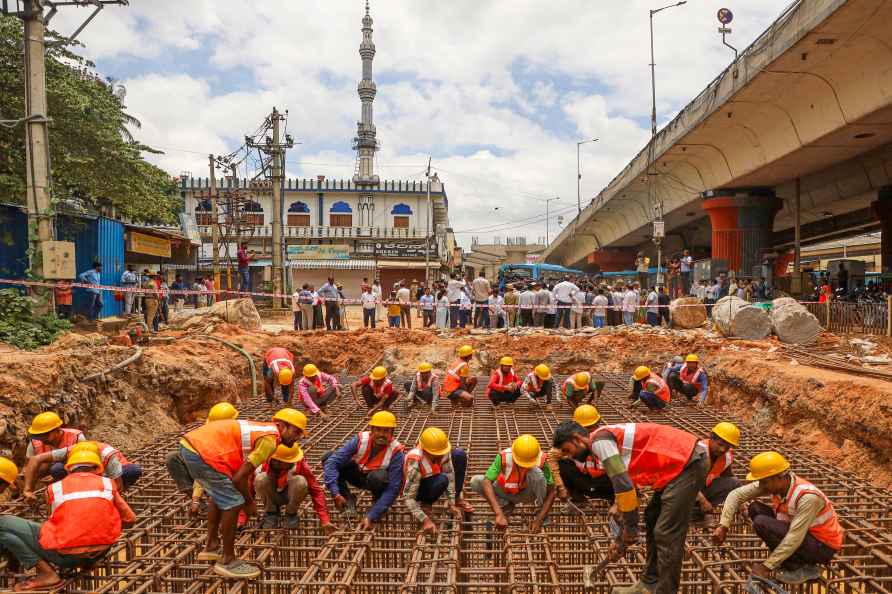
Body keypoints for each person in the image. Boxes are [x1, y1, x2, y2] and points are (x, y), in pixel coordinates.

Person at [552, 421, 708, 594]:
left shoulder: (600, 442)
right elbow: (627, 487)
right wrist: (622, 537)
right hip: (674, 466)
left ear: (577, 439)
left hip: (687, 462)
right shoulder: (605, 442)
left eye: (567, 450)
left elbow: (623, 485)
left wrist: (630, 529)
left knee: (666, 532)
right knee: (651, 515)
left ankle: (665, 590)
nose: (569, 456)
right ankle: (648, 584)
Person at [179, 408, 307, 578]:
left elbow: (238, 475)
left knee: (221, 495)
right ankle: (227, 560)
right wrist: (248, 503)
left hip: (192, 448)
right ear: (281, 425)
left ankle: (211, 545)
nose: (298, 437)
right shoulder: (270, 440)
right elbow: (240, 477)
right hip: (203, 452)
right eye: (296, 431)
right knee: (234, 502)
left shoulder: (262, 430)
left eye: (300, 433)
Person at [0, 448, 135, 591]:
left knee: (4, 523)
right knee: (7, 537)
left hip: (66, 557)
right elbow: (130, 519)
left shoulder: (54, 488)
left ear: (69, 469)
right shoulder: (108, 484)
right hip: (98, 554)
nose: (4, 490)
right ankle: (87, 560)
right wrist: (101, 530)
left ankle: (47, 574)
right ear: (98, 468)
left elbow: (54, 523)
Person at [714, 452, 843, 585]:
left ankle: (803, 568)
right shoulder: (776, 484)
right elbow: (736, 495)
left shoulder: (807, 497)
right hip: (804, 535)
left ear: (779, 477)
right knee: (755, 508)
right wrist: (723, 525)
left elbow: (795, 536)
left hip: (821, 547)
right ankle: (787, 560)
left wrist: (766, 566)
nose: (762, 486)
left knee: (761, 522)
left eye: (764, 482)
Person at [322, 411, 405, 531]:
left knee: (378, 476)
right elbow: (332, 463)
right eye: (378, 430)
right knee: (328, 458)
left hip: (376, 481)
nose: (381, 434)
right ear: (372, 430)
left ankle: (378, 504)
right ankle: (348, 499)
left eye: (386, 431)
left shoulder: (396, 452)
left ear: (392, 433)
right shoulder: (361, 440)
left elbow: (393, 489)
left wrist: (371, 516)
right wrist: (335, 493)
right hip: (357, 474)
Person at [469, 434, 556, 533]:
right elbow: (486, 481)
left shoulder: (543, 459)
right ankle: (505, 504)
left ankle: (541, 510)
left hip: (527, 494)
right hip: (505, 491)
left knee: (537, 474)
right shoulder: (504, 456)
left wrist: (539, 519)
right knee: (476, 481)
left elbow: (552, 491)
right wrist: (499, 513)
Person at [165, 402, 239, 514]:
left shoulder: (235, 436)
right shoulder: (208, 435)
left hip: (228, 475)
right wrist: (195, 499)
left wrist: (196, 499)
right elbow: (200, 465)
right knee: (174, 458)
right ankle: (202, 502)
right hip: (207, 470)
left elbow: (205, 469)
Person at [402, 427, 473, 535]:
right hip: (417, 488)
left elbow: (450, 475)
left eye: (441, 453)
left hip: (434, 478)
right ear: (425, 450)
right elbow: (408, 498)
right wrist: (425, 520)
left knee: (459, 455)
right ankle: (425, 503)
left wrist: (452, 503)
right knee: (442, 480)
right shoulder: (415, 460)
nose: (440, 457)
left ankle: (456, 498)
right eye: (436, 455)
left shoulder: (442, 451)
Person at [255, 443, 334, 532]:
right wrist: (241, 520)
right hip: (271, 496)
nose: (293, 462)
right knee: (260, 479)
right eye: (290, 461)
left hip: (290, 495)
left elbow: (316, 491)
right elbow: (246, 489)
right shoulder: (263, 462)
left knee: (300, 481)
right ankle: (271, 513)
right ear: (277, 461)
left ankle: (291, 514)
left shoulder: (299, 463)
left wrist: (325, 520)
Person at [546, 405, 614, 505]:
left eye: (594, 426)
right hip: (587, 483)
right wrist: (561, 487)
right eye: (587, 428)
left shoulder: (606, 440)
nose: (591, 432)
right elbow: (551, 457)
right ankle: (578, 498)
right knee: (561, 464)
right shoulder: (571, 443)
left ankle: (615, 498)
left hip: (608, 484)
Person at [23, 440, 142, 495]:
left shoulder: (108, 456)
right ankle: (73, 488)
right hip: (93, 474)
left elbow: (117, 487)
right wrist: (27, 489)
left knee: (134, 470)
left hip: (109, 474)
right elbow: (35, 459)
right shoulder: (70, 450)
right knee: (57, 469)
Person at [693, 422, 741, 524]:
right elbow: (685, 480)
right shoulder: (698, 450)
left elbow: (730, 479)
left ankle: (696, 515)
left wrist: (742, 505)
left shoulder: (726, 456)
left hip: (700, 488)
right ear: (711, 438)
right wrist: (703, 501)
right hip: (683, 487)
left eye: (727, 447)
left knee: (734, 482)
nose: (722, 449)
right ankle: (686, 513)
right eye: (720, 444)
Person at [25, 412, 86, 482]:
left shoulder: (75, 437)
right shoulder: (35, 442)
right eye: (39, 435)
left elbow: (84, 463)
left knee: (57, 468)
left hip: (70, 469)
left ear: (57, 430)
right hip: (49, 469)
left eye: (45, 435)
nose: (42, 438)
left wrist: (55, 476)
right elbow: (28, 464)